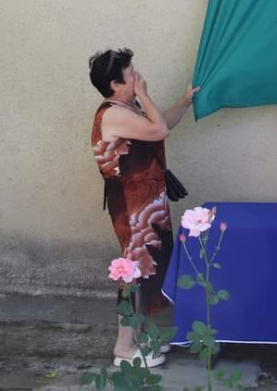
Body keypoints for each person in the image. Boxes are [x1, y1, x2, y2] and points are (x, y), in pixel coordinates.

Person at [88, 48, 198, 368]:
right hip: (132, 206)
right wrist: (145, 95)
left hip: (147, 204)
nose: (137, 75)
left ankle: (140, 338)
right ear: (115, 84)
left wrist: (185, 101)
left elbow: (160, 124)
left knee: (149, 270)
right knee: (134, 271)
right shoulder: (113, 114)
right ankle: (124, 347)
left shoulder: (127, 108)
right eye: (131, 73)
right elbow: (159, 129)